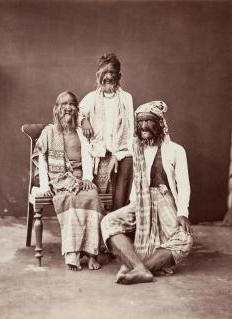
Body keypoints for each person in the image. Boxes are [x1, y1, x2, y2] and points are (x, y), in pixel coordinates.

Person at [101, 101, 193, 284]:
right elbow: (121, 149)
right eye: (140, 122)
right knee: (108, 222)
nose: (143, 126)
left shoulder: (175, 150)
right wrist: (115, 156)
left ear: (160, 124)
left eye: (149, 121)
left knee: (185, 239)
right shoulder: (136, 146)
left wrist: (183, 212)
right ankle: (141, 269)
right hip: (139, 204)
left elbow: (183, 183)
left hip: (164, 203)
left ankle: (137, 268)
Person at [33, 91, 103, 271]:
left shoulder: (80, 133)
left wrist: (87, 178)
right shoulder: (49, 132)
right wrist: (44, 186)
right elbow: (40, 158)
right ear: (56, 110)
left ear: (77, 111)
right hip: (59, 180)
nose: (68, 108)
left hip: (80, 178)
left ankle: (92, 254)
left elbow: (89, 157)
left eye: (72, 104)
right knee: (70, 200)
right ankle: (73, 255)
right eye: (64, 104)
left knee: (92, 196)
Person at [79, 53, 134, 210]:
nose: (108, 76)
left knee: (129, 163)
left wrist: (118, 155)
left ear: (119, 76)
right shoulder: (90, 98)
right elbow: (76, 113)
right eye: (105, 73)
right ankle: (104, 221)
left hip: (122, 153)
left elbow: (131, 132)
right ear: (98, 76)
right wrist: (84, 120)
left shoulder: (126, 98)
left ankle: (117, 216)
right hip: (99, 153)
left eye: (112, 73)